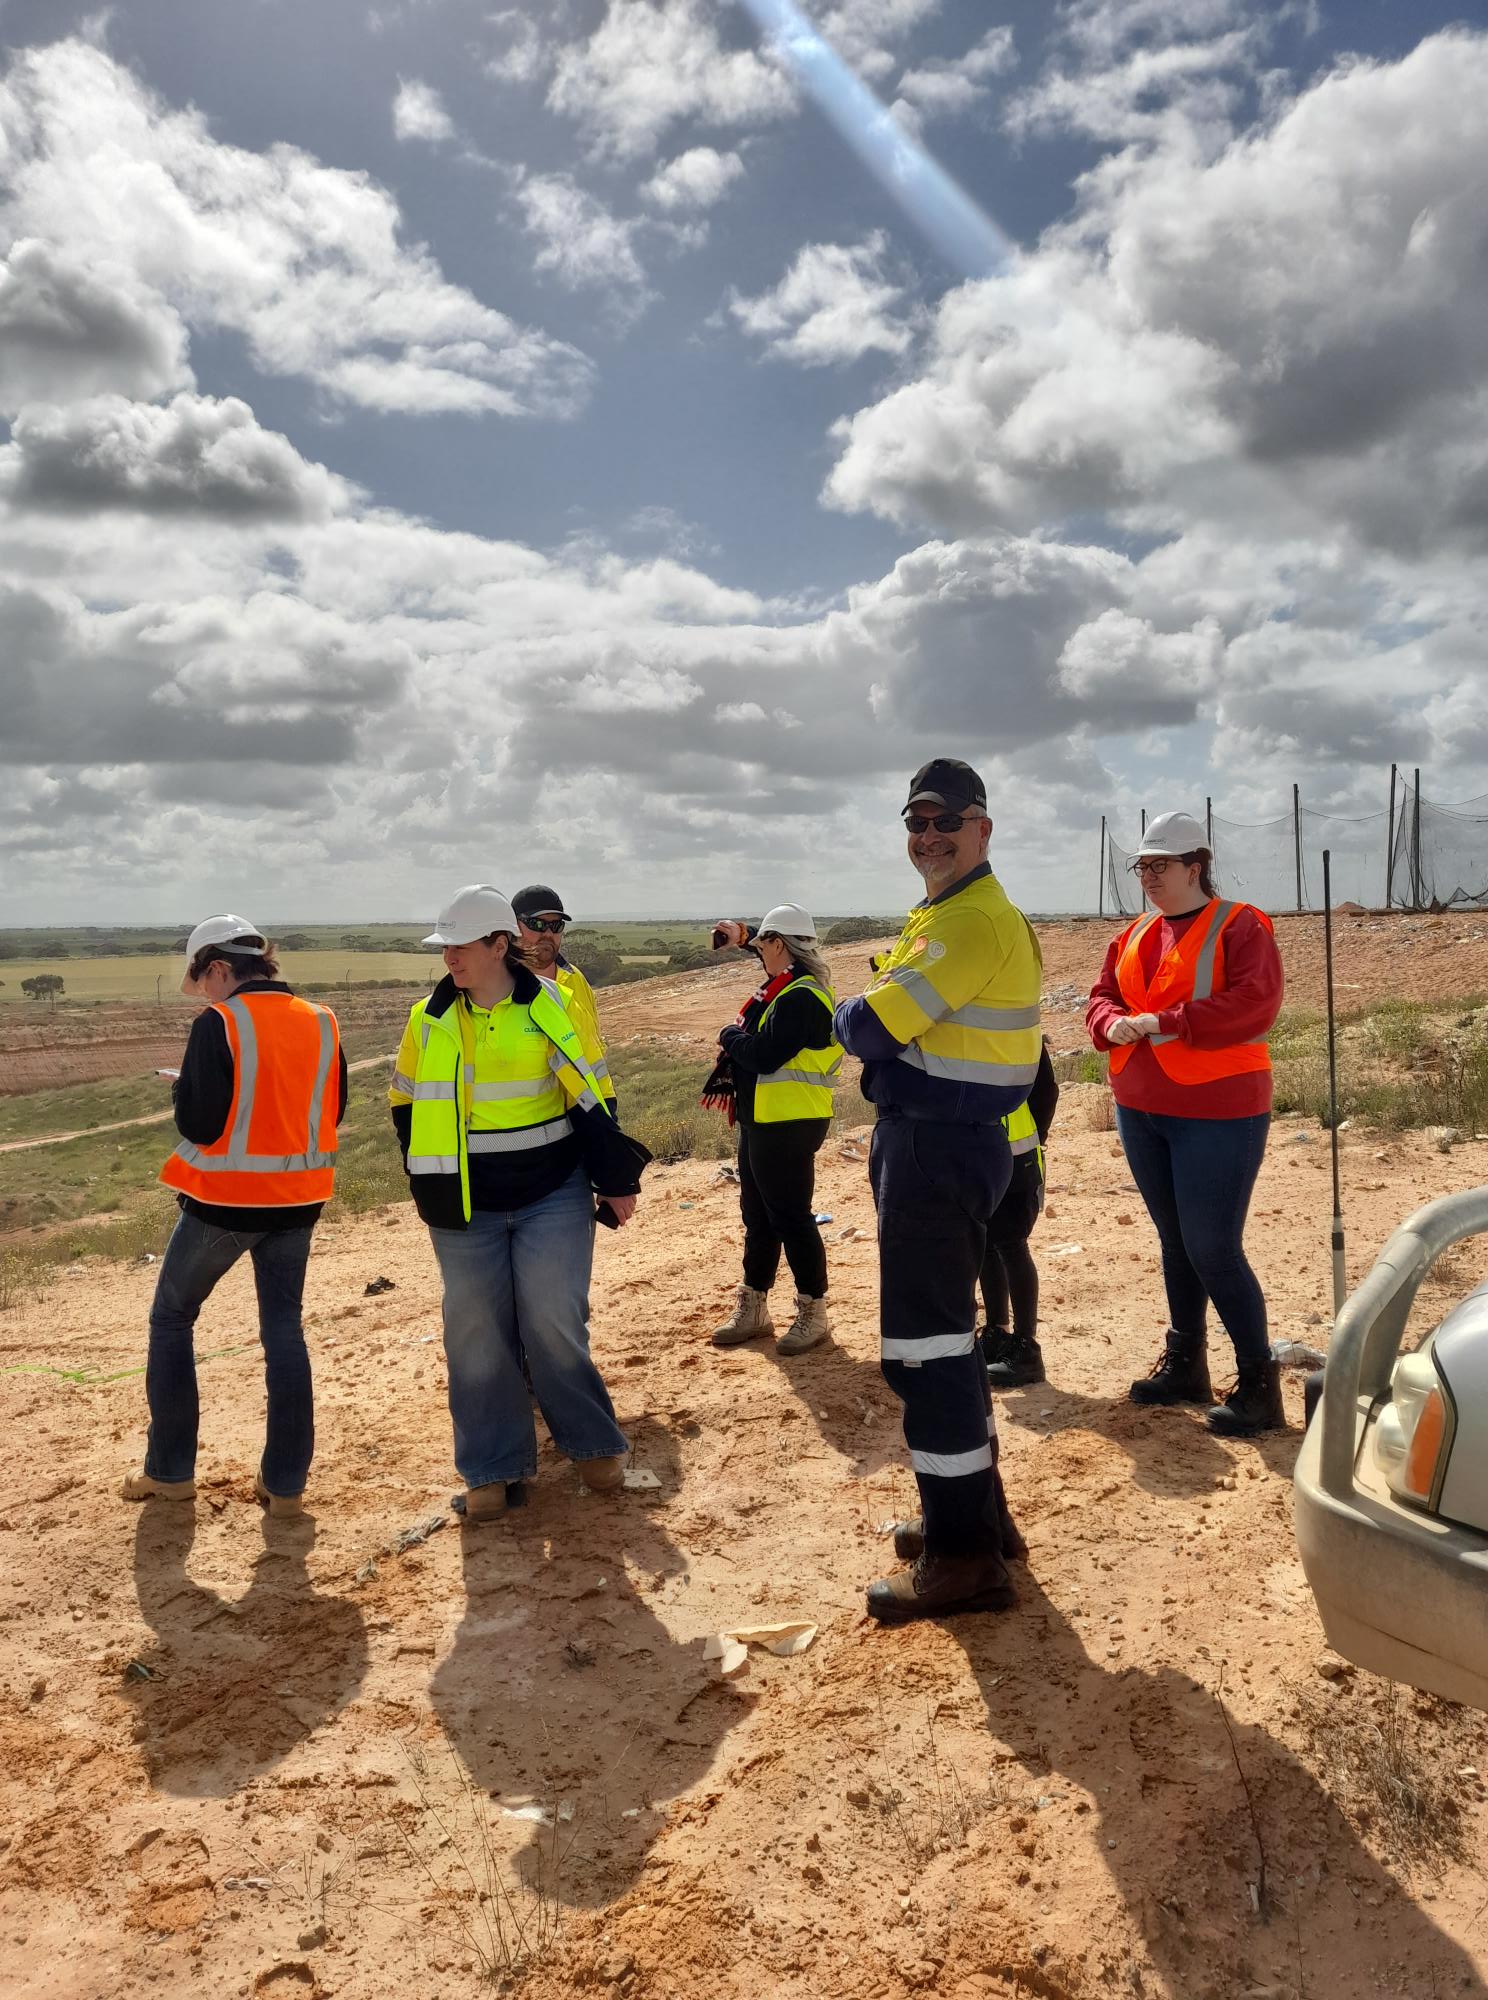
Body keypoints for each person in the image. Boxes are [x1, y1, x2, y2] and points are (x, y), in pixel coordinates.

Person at [833, 759, 1043, 1624]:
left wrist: (858, 1008)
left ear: (983, 828)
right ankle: (979, 1520)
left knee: (925, 1353)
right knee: (946, 1345)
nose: (928, 837)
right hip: (936, 1147)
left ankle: (964, 1559)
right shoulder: (948, 914)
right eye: (915, 823)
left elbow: (871, 1026)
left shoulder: (967, 924)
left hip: (938, 1150)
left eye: (945, 821)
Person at [389, 885, 649, 1522]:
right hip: (464, 1203)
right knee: (475, 1334)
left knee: (554, 1321)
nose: (448, 956)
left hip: (552, 1193)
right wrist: (429, 1177)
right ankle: (492, 1468)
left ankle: (591, 1446)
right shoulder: (427, 1018)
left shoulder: (553, 1004)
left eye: (460, 944)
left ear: (499, 944)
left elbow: (592, 1091)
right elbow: (404, 1102)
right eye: (443, 945)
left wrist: (615, 1178)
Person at [122, 915, 347, 1517]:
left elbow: (200, 1124)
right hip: (300, 1203)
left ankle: (169, 1472)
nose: (205, 994)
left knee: (172, 1319)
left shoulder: (218, 1024)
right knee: (284, 1334)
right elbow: (334, 1107)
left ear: (220, 968)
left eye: (203, 981)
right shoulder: (322, 1022)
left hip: (223, 1206)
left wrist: (182, 1088)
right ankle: (285, 1486)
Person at [1085, 810, 1285, 1436]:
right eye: (1141, 866)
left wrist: (1170, 1021)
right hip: (1141, 1106)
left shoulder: (1241, 924)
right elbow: (1101, 994)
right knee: (1176, 1241)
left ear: (1194, 866)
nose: (1147, 876)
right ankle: (1186, 1363)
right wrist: (1105, 1023)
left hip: (1218, 1109)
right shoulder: (1135, 934)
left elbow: (1257, 1004)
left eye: (1159, 865)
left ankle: (1259, 1384)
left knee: (1212, 1247)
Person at [703, 905, 841, 1357]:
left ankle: (813, 1311)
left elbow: (762, 1056)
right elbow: (767, 952)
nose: (759, 953)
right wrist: (744, 935)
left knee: (790, 1217)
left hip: (790, 1121)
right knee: (758, 1216)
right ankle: (755, 1305)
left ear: (779, 944)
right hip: (764, 1118)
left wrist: (727, 1035)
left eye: (764, 944)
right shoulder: (787, 985)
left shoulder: (801, 997)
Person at [982, 1037, 1059, 1389]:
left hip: (1018, 1156)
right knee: (986, 1244)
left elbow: (1046, 1091)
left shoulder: (1022, 1028)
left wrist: (1035, 1137)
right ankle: (997, 1333)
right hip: (983, 1154)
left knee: (1012, 1246)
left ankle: (1027, 1347)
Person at [512, 885, 618, 1117]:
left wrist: (606, 1111)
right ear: (512, 927)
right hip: (529, 1124)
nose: (548, 933)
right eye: (537, 925)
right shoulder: (497, 984)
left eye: (556, 926)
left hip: (585, 1114)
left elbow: (592, 1050)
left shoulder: (575, 980)